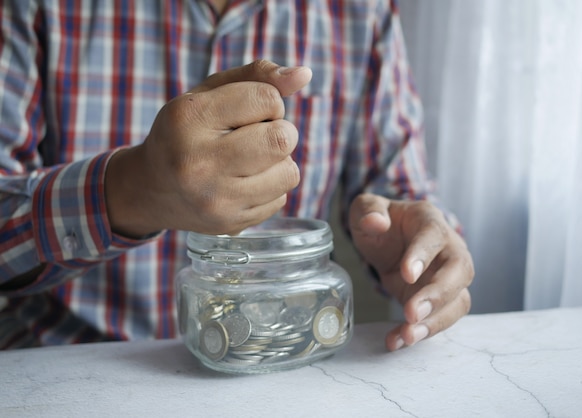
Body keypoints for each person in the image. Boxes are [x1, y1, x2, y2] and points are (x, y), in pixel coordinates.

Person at [0, 0, 473, 352]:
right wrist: (132, 190)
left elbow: (401, 192)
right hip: (65, 362)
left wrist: (415, 245)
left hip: (276, 361)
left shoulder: (363, 12)